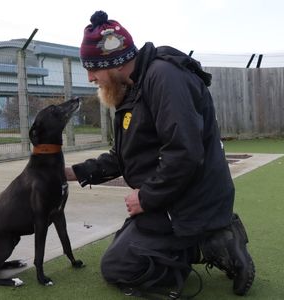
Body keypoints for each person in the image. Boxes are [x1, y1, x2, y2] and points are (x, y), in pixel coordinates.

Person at [65, 10, 255, 298]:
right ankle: (205, 237)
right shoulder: (133, 86)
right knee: (121, 253)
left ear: (114, 62)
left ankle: (216, 241)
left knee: (119, 268)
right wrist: (72, 172)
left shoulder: (164, 78)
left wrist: (146, 197)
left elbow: (186, 152)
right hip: (172, 198)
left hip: (192, 201)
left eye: (93, 68)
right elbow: (122, 156)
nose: (91, 77)